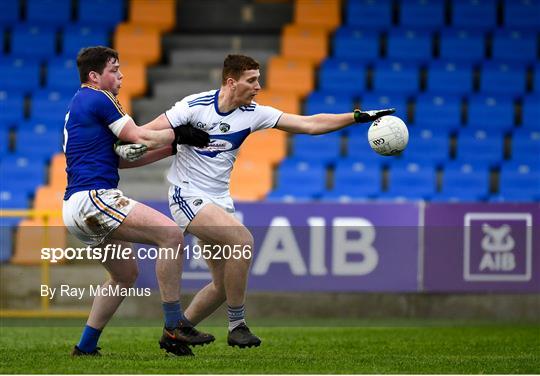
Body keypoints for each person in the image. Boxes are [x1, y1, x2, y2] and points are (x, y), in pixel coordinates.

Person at [116, 54, 394, 348]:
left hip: (219, 201)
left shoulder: (253, 113)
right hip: (187, 194)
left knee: (223, 286)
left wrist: (356, 117)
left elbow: (310, 124)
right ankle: (238, 326)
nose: (258, 86)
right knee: (242, 241)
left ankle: (174, 334)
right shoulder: (193, 106)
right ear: (231, 82)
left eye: (258, 79)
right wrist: (156, 139)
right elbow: (142, 133)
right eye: (252, 80)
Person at [62, 46, 213, 357]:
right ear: (94, 76)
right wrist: (178, 134)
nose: (120, 75)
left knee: (124, 275)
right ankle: (175, 326)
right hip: (95, 199)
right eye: (114, 69)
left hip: (76, 206)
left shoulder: (78, 107)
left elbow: (121, 161)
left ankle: (85, 347)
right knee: (171, 235)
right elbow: (139, 137)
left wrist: (172, 148)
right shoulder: (97, 97)